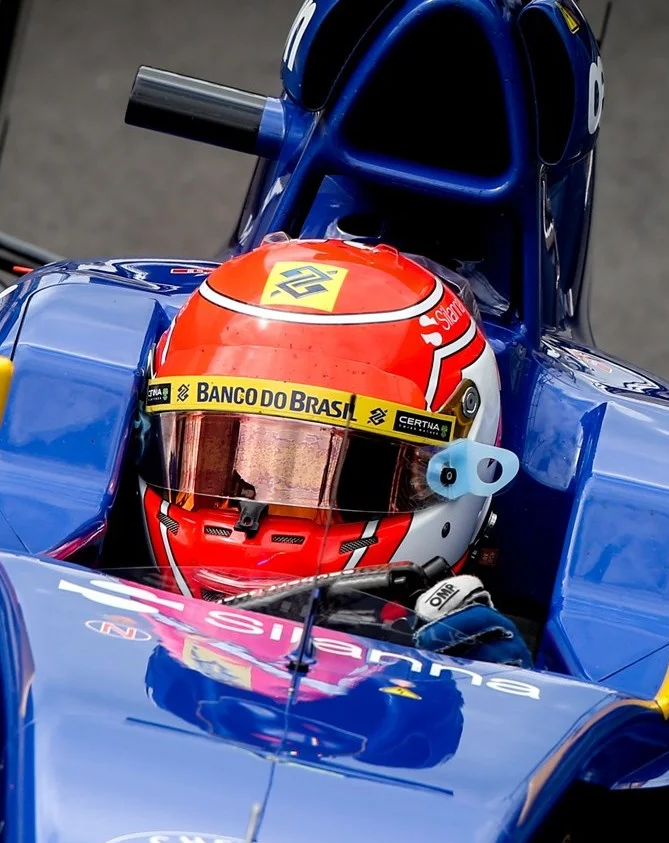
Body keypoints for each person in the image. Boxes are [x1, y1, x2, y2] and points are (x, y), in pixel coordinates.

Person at [133, 235, 532, 667]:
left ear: (453, 474)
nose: (251, 520)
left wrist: (484, 685)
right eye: (217, 462)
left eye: (308, 474)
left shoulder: (485, 657)